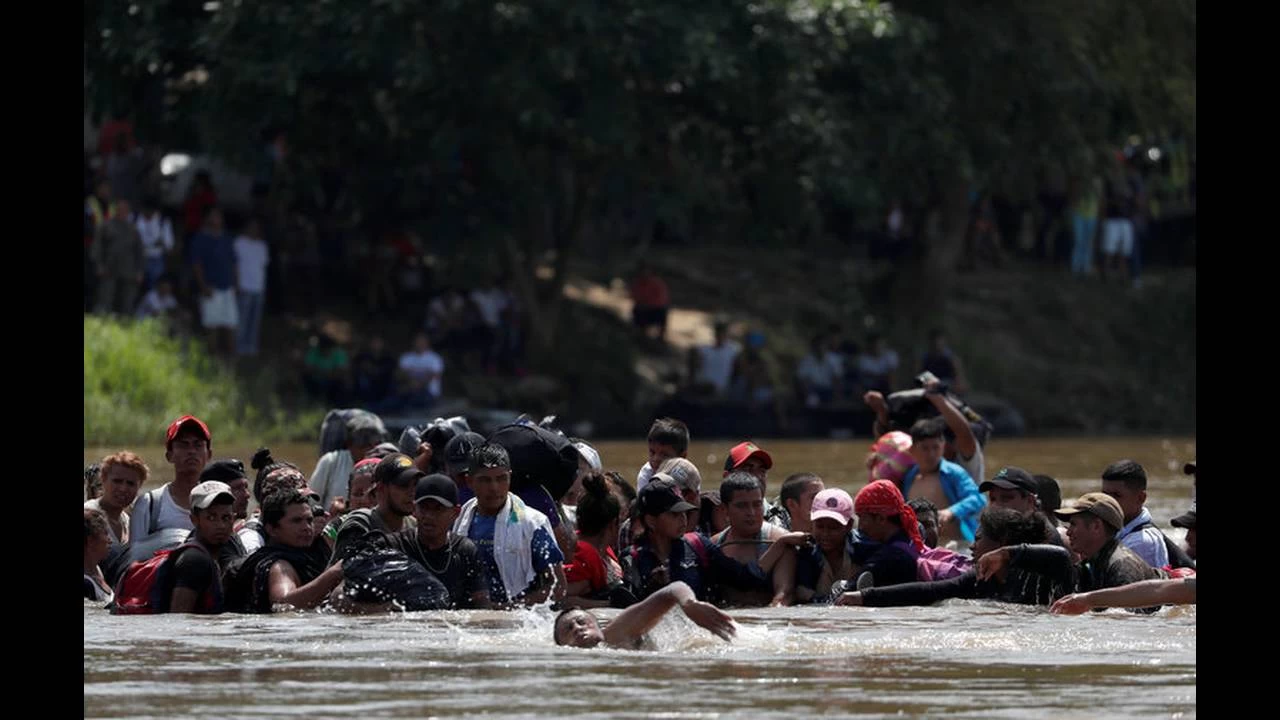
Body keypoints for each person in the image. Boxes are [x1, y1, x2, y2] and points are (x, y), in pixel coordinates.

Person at [554, 581, 736, 649]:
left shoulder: (616, 633)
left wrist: (690, 605)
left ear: (597, 625)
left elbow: (673, 589)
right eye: (568, 629)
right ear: (561, 645)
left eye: (581, 622)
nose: (577, 628)